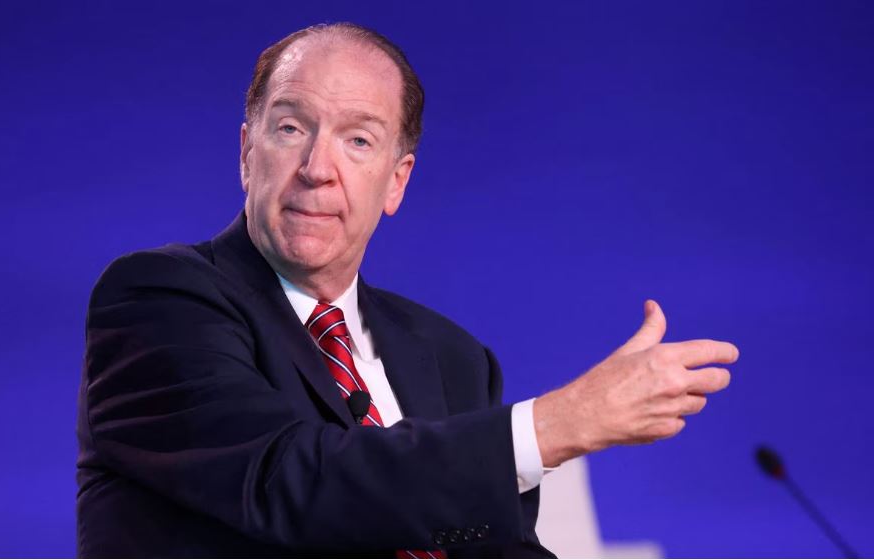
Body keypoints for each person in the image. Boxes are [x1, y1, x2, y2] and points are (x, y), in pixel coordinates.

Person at [76, 22, 739, 558]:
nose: (316, 169)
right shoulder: (159, 301)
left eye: (357, 140)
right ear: (247, 152)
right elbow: (289, 482)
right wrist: (557, 423)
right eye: (290, 128)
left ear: (396, 181)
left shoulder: (450, 358)